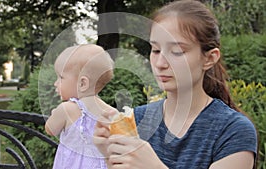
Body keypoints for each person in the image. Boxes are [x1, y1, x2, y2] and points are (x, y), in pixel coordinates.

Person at [93, 1, 257, 169]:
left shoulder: (233, 130)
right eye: (155, 50)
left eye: (177, 51)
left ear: (209, 58)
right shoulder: (137, 120)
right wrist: (109, 155)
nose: (160, 63)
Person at [45, 44, 116, 169]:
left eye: (61, 78)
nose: (55, 83)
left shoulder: (67, 109)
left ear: (83, 83)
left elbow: (50, 129)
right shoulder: (111, 112)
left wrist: (55, 113)